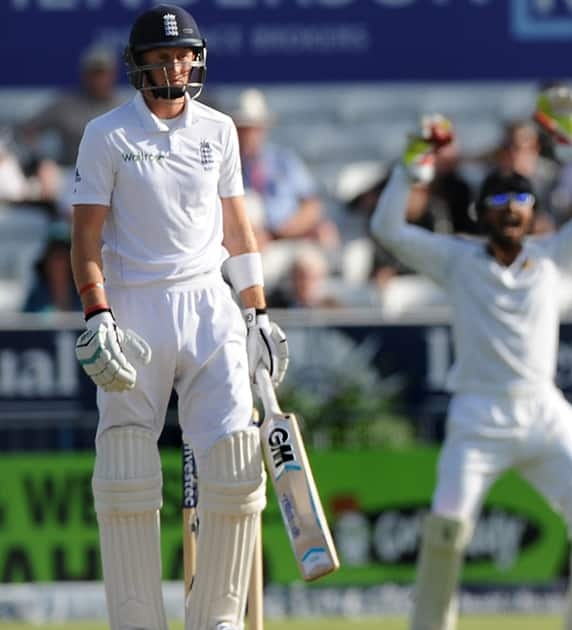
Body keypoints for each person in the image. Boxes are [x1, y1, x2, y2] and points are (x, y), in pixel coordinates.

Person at [371, 90, 572, 630]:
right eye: (498, 202)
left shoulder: (551, 256)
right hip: (478, 419)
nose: (510, 209)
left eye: (520, 201)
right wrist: (413, 163)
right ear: (480, 213)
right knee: (446, 532)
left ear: (533, 211)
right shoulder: (458, 260)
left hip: (543, 417)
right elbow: (387, 229)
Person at [69, 6, 288, 629]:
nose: (174, 66)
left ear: (196, 59)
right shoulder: (107, 134)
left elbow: (238, 229)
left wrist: (258, 314)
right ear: (139, 64)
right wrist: (98, 314)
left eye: (183, 55)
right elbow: (84, 238)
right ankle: (137, 621)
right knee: (126, 467)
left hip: (209, 304)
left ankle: (216, 618)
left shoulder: (218, 130)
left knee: (237, 459)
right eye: (162, 57)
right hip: (135, 305)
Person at [232, 88, 338, 248]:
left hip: (289, 239)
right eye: (244, 129)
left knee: (312, 258)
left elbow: (312, 205)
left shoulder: (284, 161)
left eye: (253, 128)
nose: (249, 135)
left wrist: (284, 231)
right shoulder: (226, 167)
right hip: (252, 243)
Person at [19, 44, 125, 167]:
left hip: (117, 175)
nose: (98, 80)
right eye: (93, 73)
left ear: (113, 75)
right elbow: (27, 129)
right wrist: (41, 162)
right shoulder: (65, 105)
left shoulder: (125, 107)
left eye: (102, 73)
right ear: (84, 75)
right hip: (73, 174)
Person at [23, 222, 81, 314]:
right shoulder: (35, 298)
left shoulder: (84, 296)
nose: (58, 264)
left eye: (63, 256)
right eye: (54, 256)